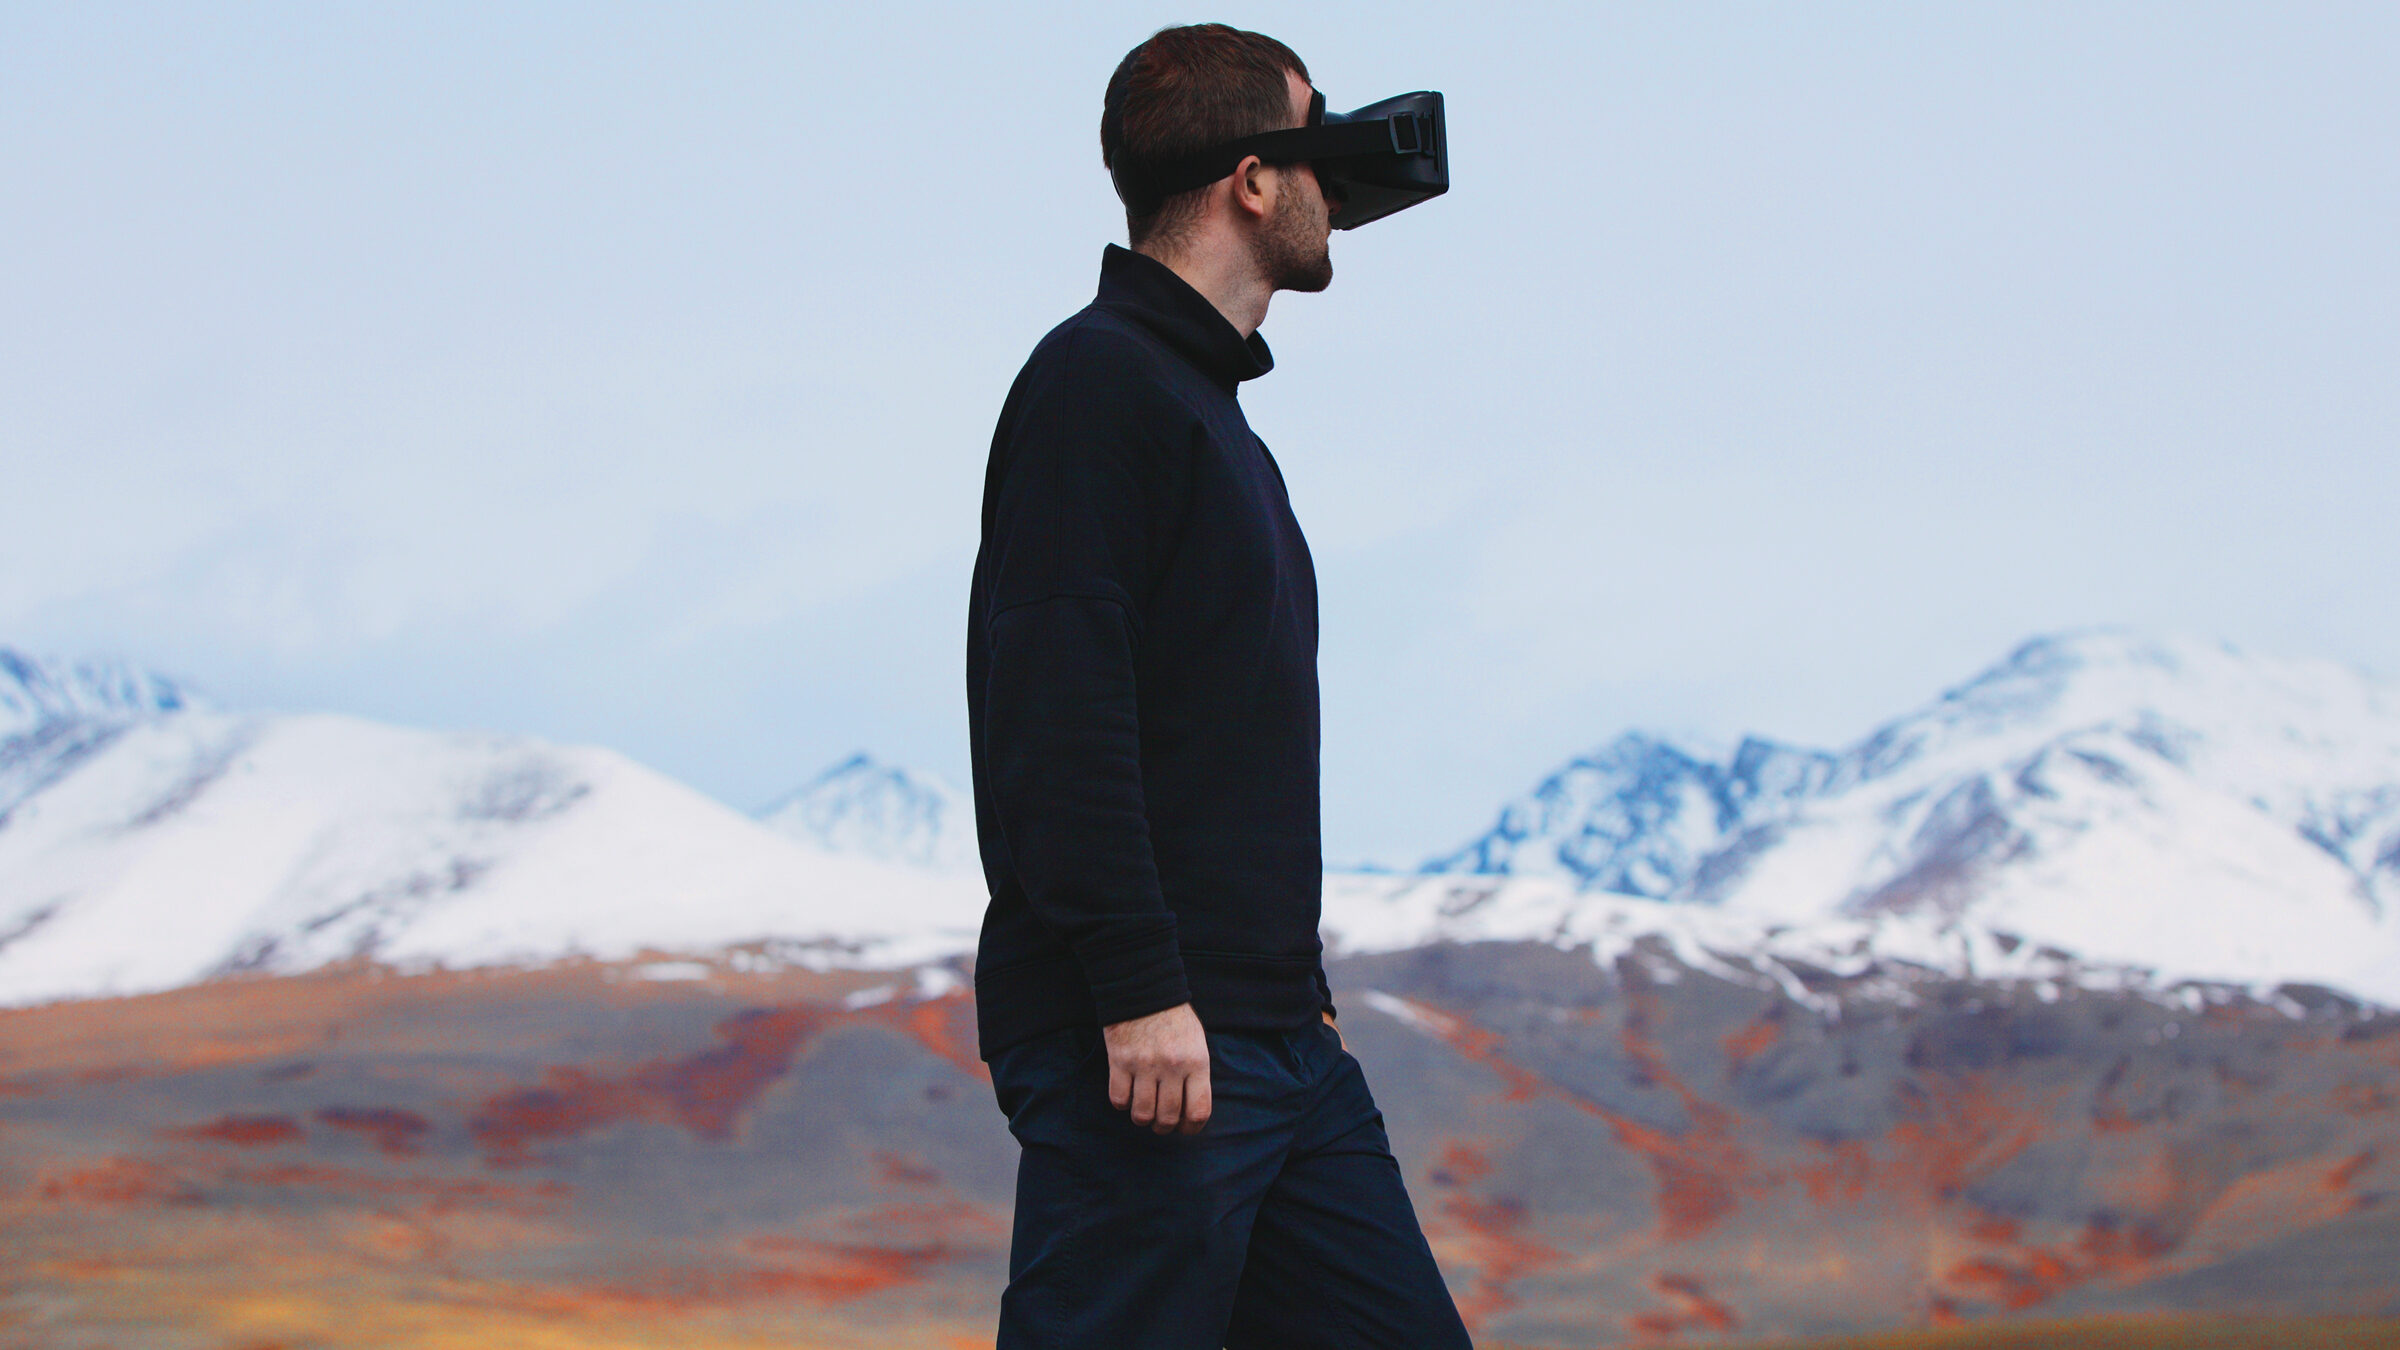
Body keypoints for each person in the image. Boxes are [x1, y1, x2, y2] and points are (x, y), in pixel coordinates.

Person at [963, 22, 1474, 1350]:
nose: (1341, 194)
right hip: (1154, 1044)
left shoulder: (1207, 416)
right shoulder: (1096, 385)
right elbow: (1056, 708)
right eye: (1319, 139)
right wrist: (1137, 987)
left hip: (1274, 1044)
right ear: (1255, 179)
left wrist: (1291, 994)